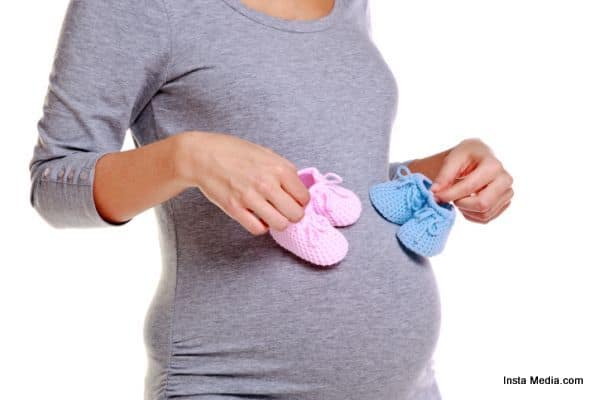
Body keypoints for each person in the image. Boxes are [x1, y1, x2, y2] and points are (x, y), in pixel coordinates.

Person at [28, 0, 514, 399]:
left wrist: (443, 170)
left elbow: (332, 174)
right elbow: (53, 184)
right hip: (233, 383)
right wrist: (186, 156)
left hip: (408, 387)